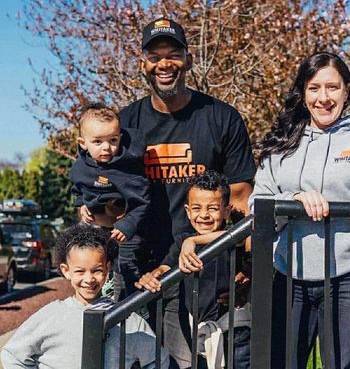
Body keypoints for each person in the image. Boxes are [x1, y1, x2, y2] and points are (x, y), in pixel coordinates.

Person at [116, 17, 256, 367]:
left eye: (173, 54)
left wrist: (248, 265)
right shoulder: (125, 124)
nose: (164, 63)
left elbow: (240, 199)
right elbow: (106, 198)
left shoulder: (220, 118)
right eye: (155, 56)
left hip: (202, 270)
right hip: (141, 271)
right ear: (143, 63)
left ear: (188, 60)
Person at [248, 52, 350, 368]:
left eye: (332, 87)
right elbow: (257, 202)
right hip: (289, 276)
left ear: (347, 90)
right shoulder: (281, 145)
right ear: (303, 94)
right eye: (314, 88)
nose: (323, 98)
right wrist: (294, 200)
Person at [1, 224, 169, 369]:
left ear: (107, 268)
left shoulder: (128, 320)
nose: (89, 279)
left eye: (97, 270)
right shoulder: (50, 316)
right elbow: (13, 355)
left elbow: (157, 359)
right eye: (80, 271)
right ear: (66, 271)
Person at [136, 170, 250, 369]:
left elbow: (237, 235)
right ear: (188, 211)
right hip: (197, 330)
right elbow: (164, 269)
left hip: (233, 328)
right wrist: (151, 277)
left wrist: (194, 240)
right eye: (196, 208)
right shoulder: (181, 241)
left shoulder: (232, 236)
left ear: (227, 211)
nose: (204, 215)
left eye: (213, 208)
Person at [70, 103, 150, 299]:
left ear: (120, 138)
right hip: (98, 227)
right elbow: (78, 189)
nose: (106, 147)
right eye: (97, 142)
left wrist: (128, 225)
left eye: (112, 140)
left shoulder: (127, 169)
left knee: (126, 267)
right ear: (83, 143)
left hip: (125, 232)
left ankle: (130, 304)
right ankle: (104, 298)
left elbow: (143, 201)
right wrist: (81, 206)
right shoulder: (80, 167)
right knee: (94, 263)